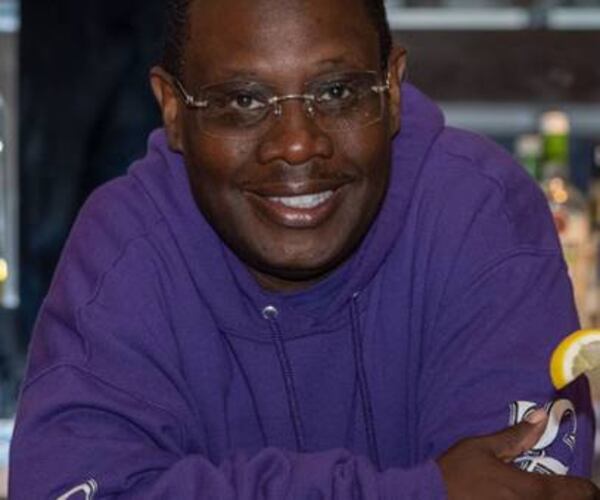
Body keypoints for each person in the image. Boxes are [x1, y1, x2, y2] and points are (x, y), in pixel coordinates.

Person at [9, 0, 600, 498]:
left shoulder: (481, 212)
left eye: (337, 92)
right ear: (173, 109)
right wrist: (418, 491)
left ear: (392, 90)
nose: (296, 144)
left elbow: (521, 486)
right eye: (243, 101)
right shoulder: (126, 246)